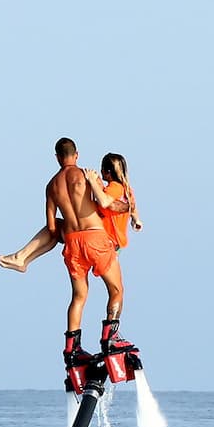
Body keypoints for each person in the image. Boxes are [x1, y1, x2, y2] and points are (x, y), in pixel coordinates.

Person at [42, 137, 135, 366]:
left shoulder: (51, 185)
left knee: (78, 296)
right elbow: (107, 204)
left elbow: (52, 228)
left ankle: (72, 350)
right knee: (116, 290)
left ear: (56, 157)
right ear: (77, 154)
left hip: (72, 243)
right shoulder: (85, 175)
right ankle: (110, 339)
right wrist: (129, 208)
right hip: (95, 238)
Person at [0, 151, 142, 273]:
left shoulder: (113, 188)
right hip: (114, 244)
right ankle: (23, 260)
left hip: (104, 241)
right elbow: (131, 206)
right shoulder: (128, 191)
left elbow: (105, 202)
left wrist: (92, 180)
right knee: (55, 232)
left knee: (56, 227)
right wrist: (136, 219)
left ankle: (22, 257)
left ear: (107, 172)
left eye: (102, 169)